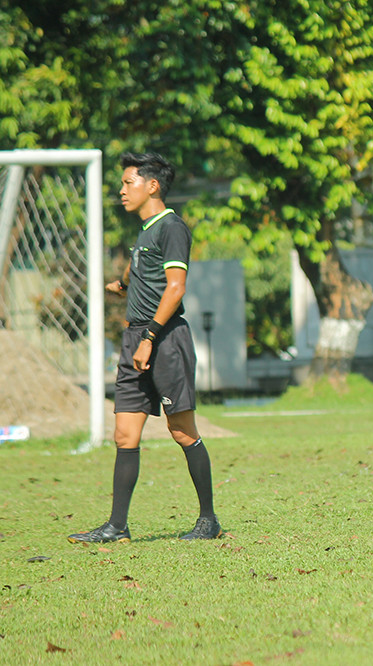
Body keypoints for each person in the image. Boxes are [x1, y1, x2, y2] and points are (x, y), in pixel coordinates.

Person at [69, 152, 221, 543]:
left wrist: (150, 337)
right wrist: (124, 284)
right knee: (124, 434)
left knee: (182, 430)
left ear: (152, 185)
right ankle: (117, 527)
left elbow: (175, 287)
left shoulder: (171, 228)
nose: (122, 190)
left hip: (164, 338)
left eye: (128, 182)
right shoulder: (146, 231)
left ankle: (208, 521)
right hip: (136, 337)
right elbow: (143, 269)